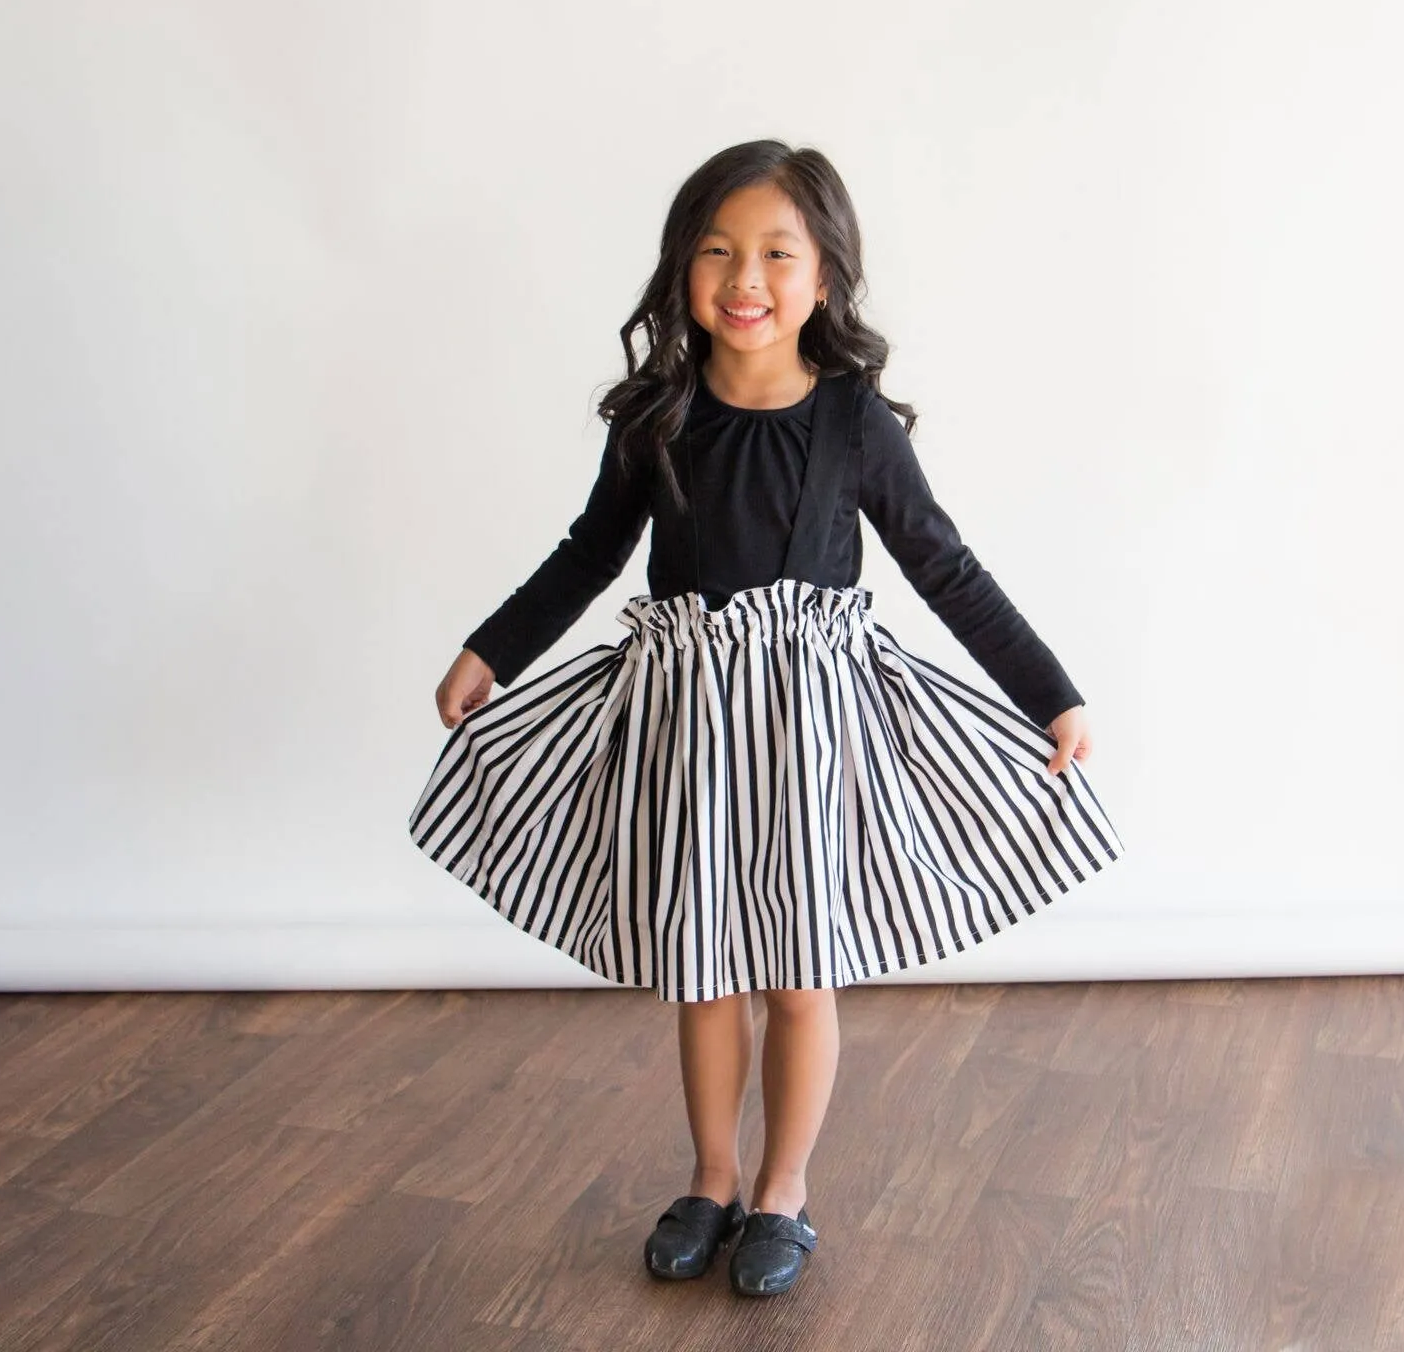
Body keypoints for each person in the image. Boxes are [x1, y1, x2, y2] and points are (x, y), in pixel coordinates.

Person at [408, 138, 1123, 1299]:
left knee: (798, 971)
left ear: (824, 277)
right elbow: (591, 551)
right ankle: (712, 1177)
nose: (746, 276)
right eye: (718, 251)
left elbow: (943, 565)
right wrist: (493, 649)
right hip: (686, 722)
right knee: (702, 970)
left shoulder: (854, 426)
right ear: (683, 272)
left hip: (808, 727)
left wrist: (1050, 691)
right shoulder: (658, 416)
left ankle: (784, 1190)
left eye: (777, 253)